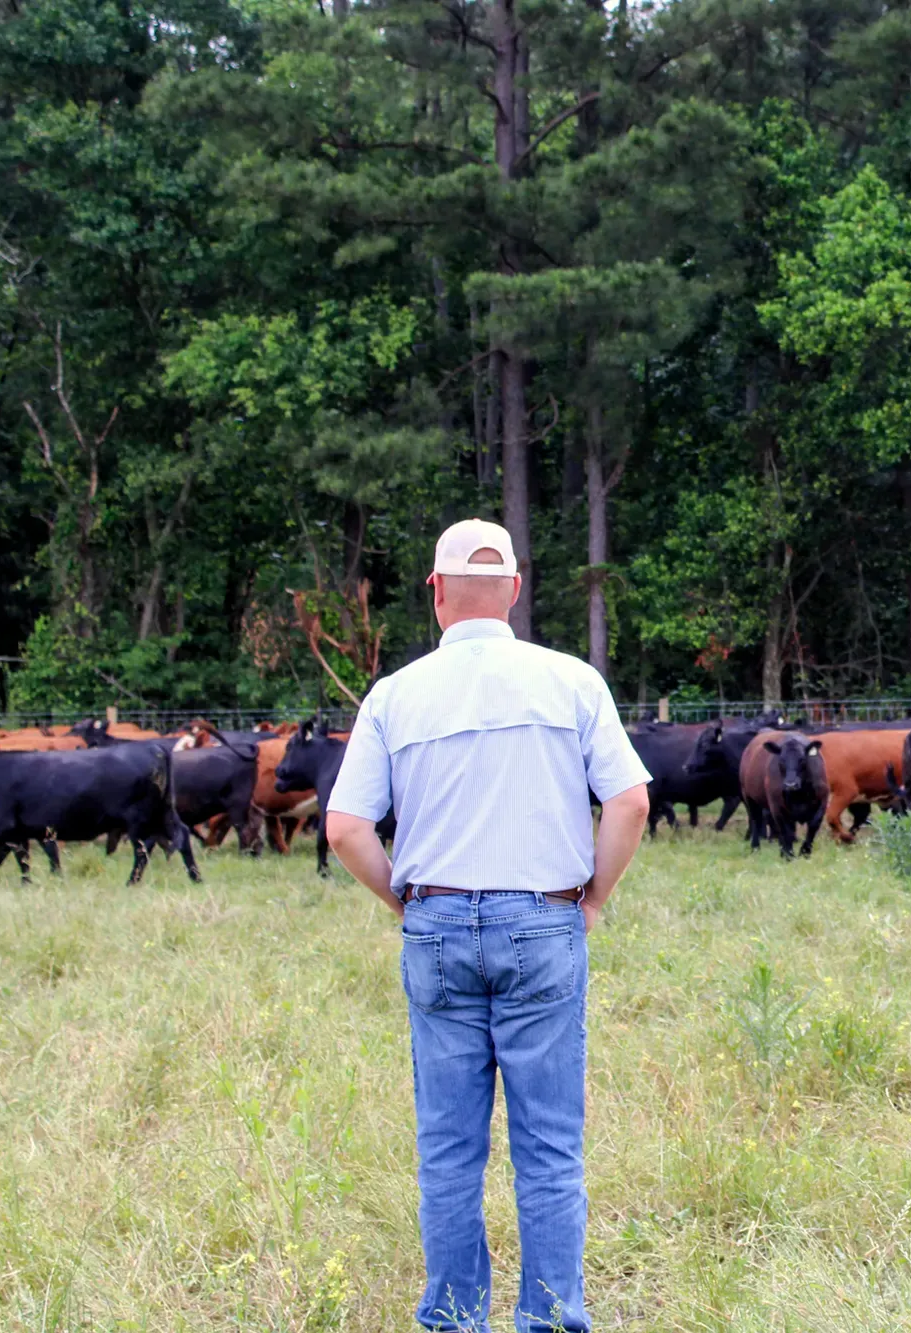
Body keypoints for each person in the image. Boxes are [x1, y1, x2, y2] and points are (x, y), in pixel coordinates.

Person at [325, 518, 653, 1332]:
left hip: (435, 920)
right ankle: (547, 1318)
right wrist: (595, 899)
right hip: (543, 919)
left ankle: (454, 1317)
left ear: (435, 593)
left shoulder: (395, 695)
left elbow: (343, 826)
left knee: (448, 1148)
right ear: (514, 587)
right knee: (547, 1145)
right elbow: (630, 800)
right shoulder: (571, 681)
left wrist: (411, 905)